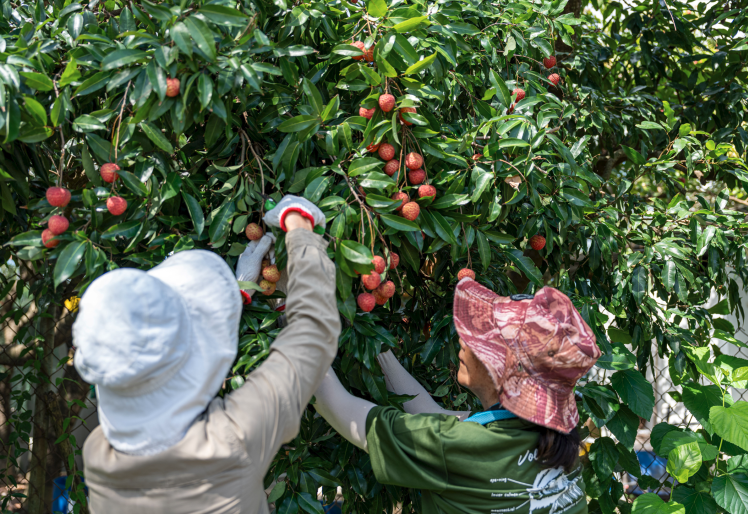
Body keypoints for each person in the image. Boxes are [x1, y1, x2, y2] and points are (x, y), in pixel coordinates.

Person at [73, 196, 341, 513]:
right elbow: (313, 333)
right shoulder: (230, 439)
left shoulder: (98, 455)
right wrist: (299, 226)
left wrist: (237, 294)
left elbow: (133, 362)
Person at [313, 280, 601, 514]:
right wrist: (372, 340)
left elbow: (334, 404)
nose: (463, 340)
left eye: (479, 338)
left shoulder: (459, 447)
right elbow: (430, 413)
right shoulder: (554, 440)